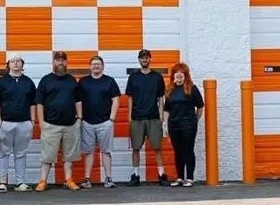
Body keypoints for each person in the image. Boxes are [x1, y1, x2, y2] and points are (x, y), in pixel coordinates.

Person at [35, 51, 82, 191]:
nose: (60, 63)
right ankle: (43, 181)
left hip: (71, 125)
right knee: (47, 156)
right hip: (50, 125)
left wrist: (79, 118)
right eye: (57, 60)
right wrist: (41, 122)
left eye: (63, 60)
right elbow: (39, 103)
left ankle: (68, 180)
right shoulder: (45, 80)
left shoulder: (72, 80)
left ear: (66, 62)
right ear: (53, 62)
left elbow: (78, 101)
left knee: (69, 156)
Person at [0, 54, 36, 192]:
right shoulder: (1, 82)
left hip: (24, 123)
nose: (15, 63)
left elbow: (33, 103)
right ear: (8, 65)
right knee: (4, 153)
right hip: (6, 123)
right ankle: (2, 183)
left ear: (22, 65)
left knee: (21, 154)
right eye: (13, 61)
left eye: (18, 61)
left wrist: (32, 121)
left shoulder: (28, 82)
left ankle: (20, 183)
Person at [125, 49, 170, 187]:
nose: (144, 60)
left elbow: (161, 98)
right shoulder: (133, 77)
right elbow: (130, 98)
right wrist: (129, 117)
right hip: (137, 118)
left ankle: (161, 174)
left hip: (153, 117)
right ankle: (135, 175)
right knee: (136, 148)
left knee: (157, 148)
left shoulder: (157, 77)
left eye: (146, 58)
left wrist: (161, 116)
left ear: (150, 59)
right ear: (139, 60)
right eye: (142, 58)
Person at [77, 55, 121, 188]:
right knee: (88, 152)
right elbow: (77, 101)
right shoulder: (83, 82)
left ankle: (108, 178)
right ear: (90, 66)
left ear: (103, 66)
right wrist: (80, 118)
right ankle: (87, 179)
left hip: (105, 122)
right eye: (93, 64)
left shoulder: (110, 81)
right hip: (87, 123)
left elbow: (116, 100)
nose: (96, 66)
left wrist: (112, 118)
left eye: (98, 64)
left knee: (106, 151)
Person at [164, 63, 205, 187]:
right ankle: (180, 177)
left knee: (188, 150)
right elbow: (166, 109)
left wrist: (194, 120)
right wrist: (166, 125)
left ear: (186, 75)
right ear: (173, 75)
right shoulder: (169, 89)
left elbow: (200, 106)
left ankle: (190, 178)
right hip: (173, 125)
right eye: (177, 72)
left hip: (188, 125)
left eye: (182, 72)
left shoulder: (192, 88)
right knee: (178, 151)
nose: (179, 74)